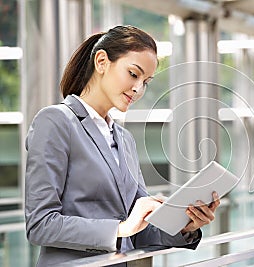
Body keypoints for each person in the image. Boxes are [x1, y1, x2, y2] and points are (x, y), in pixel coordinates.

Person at [24, 25, 220, 266]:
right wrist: (120, 228)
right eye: (133, 74)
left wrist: (184, 225)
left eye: (145, 81)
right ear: (102, 61)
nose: (138, 89)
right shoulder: (55, 121)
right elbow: (40, 225)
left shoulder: (124, 139)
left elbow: (140, 231)